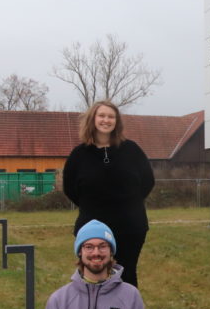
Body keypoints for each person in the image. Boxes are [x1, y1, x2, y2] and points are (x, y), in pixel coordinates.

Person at [63, 100, 154, 288]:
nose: (106, 120)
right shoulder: (78, 155)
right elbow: (70, 188)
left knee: (126, 273)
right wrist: (93, 207)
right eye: (102, 115)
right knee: (93, 274)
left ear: (117, 121)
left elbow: (148, 181)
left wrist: (128, 204)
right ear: (93, 119)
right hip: (92, 228)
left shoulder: (132, 150)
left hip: (130, 227)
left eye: (111, 116)